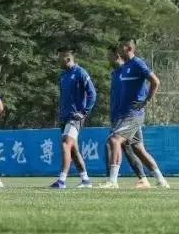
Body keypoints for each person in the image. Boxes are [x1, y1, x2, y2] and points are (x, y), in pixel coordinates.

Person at [103, 41, 169, 189]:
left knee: (114, 141)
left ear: (128, 48)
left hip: (133, 114)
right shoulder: (121, 70)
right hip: (122, 116)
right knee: (138, 149)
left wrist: (146, 101)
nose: (117, 53)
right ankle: (161, 180)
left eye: (120, 48)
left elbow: (155, 81)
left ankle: (112, 182)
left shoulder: (137, 63)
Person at [50, 47, 95, 189]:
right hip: (64, 118)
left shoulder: (80, 73)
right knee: (74, 151)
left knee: (65, 144)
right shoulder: (63, 76)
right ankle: (86, 180)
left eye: (60, 58)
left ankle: (61, 180)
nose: (58, 61)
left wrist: (84, 112)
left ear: (68, 59)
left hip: (75, 118)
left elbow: (92, 94)